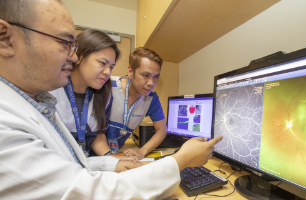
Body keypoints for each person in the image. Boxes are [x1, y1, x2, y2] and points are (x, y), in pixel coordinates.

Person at [0, 0, 223, 199]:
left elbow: (71, 166)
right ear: (5, 39)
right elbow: (86, 191)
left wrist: (113, 162)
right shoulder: (7, 122)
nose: (74, 57)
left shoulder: (40, 101)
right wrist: (180, 160)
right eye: (63, 42)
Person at [50, 29, 139, 163]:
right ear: (79, 56)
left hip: (88, 163)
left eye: (111, 67)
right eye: (102, 63)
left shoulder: (105, 93)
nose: (107, 72)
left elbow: (98, 135)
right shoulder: (50, 89)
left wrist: (112, 159)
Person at [106, 47, 168, 159]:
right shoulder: (107, 86)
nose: (151, 83)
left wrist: (143, 151)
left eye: (156, 77)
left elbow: (162, 130)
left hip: (115, 155)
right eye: (146, 75)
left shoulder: (151, 99)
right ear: (130, 72)